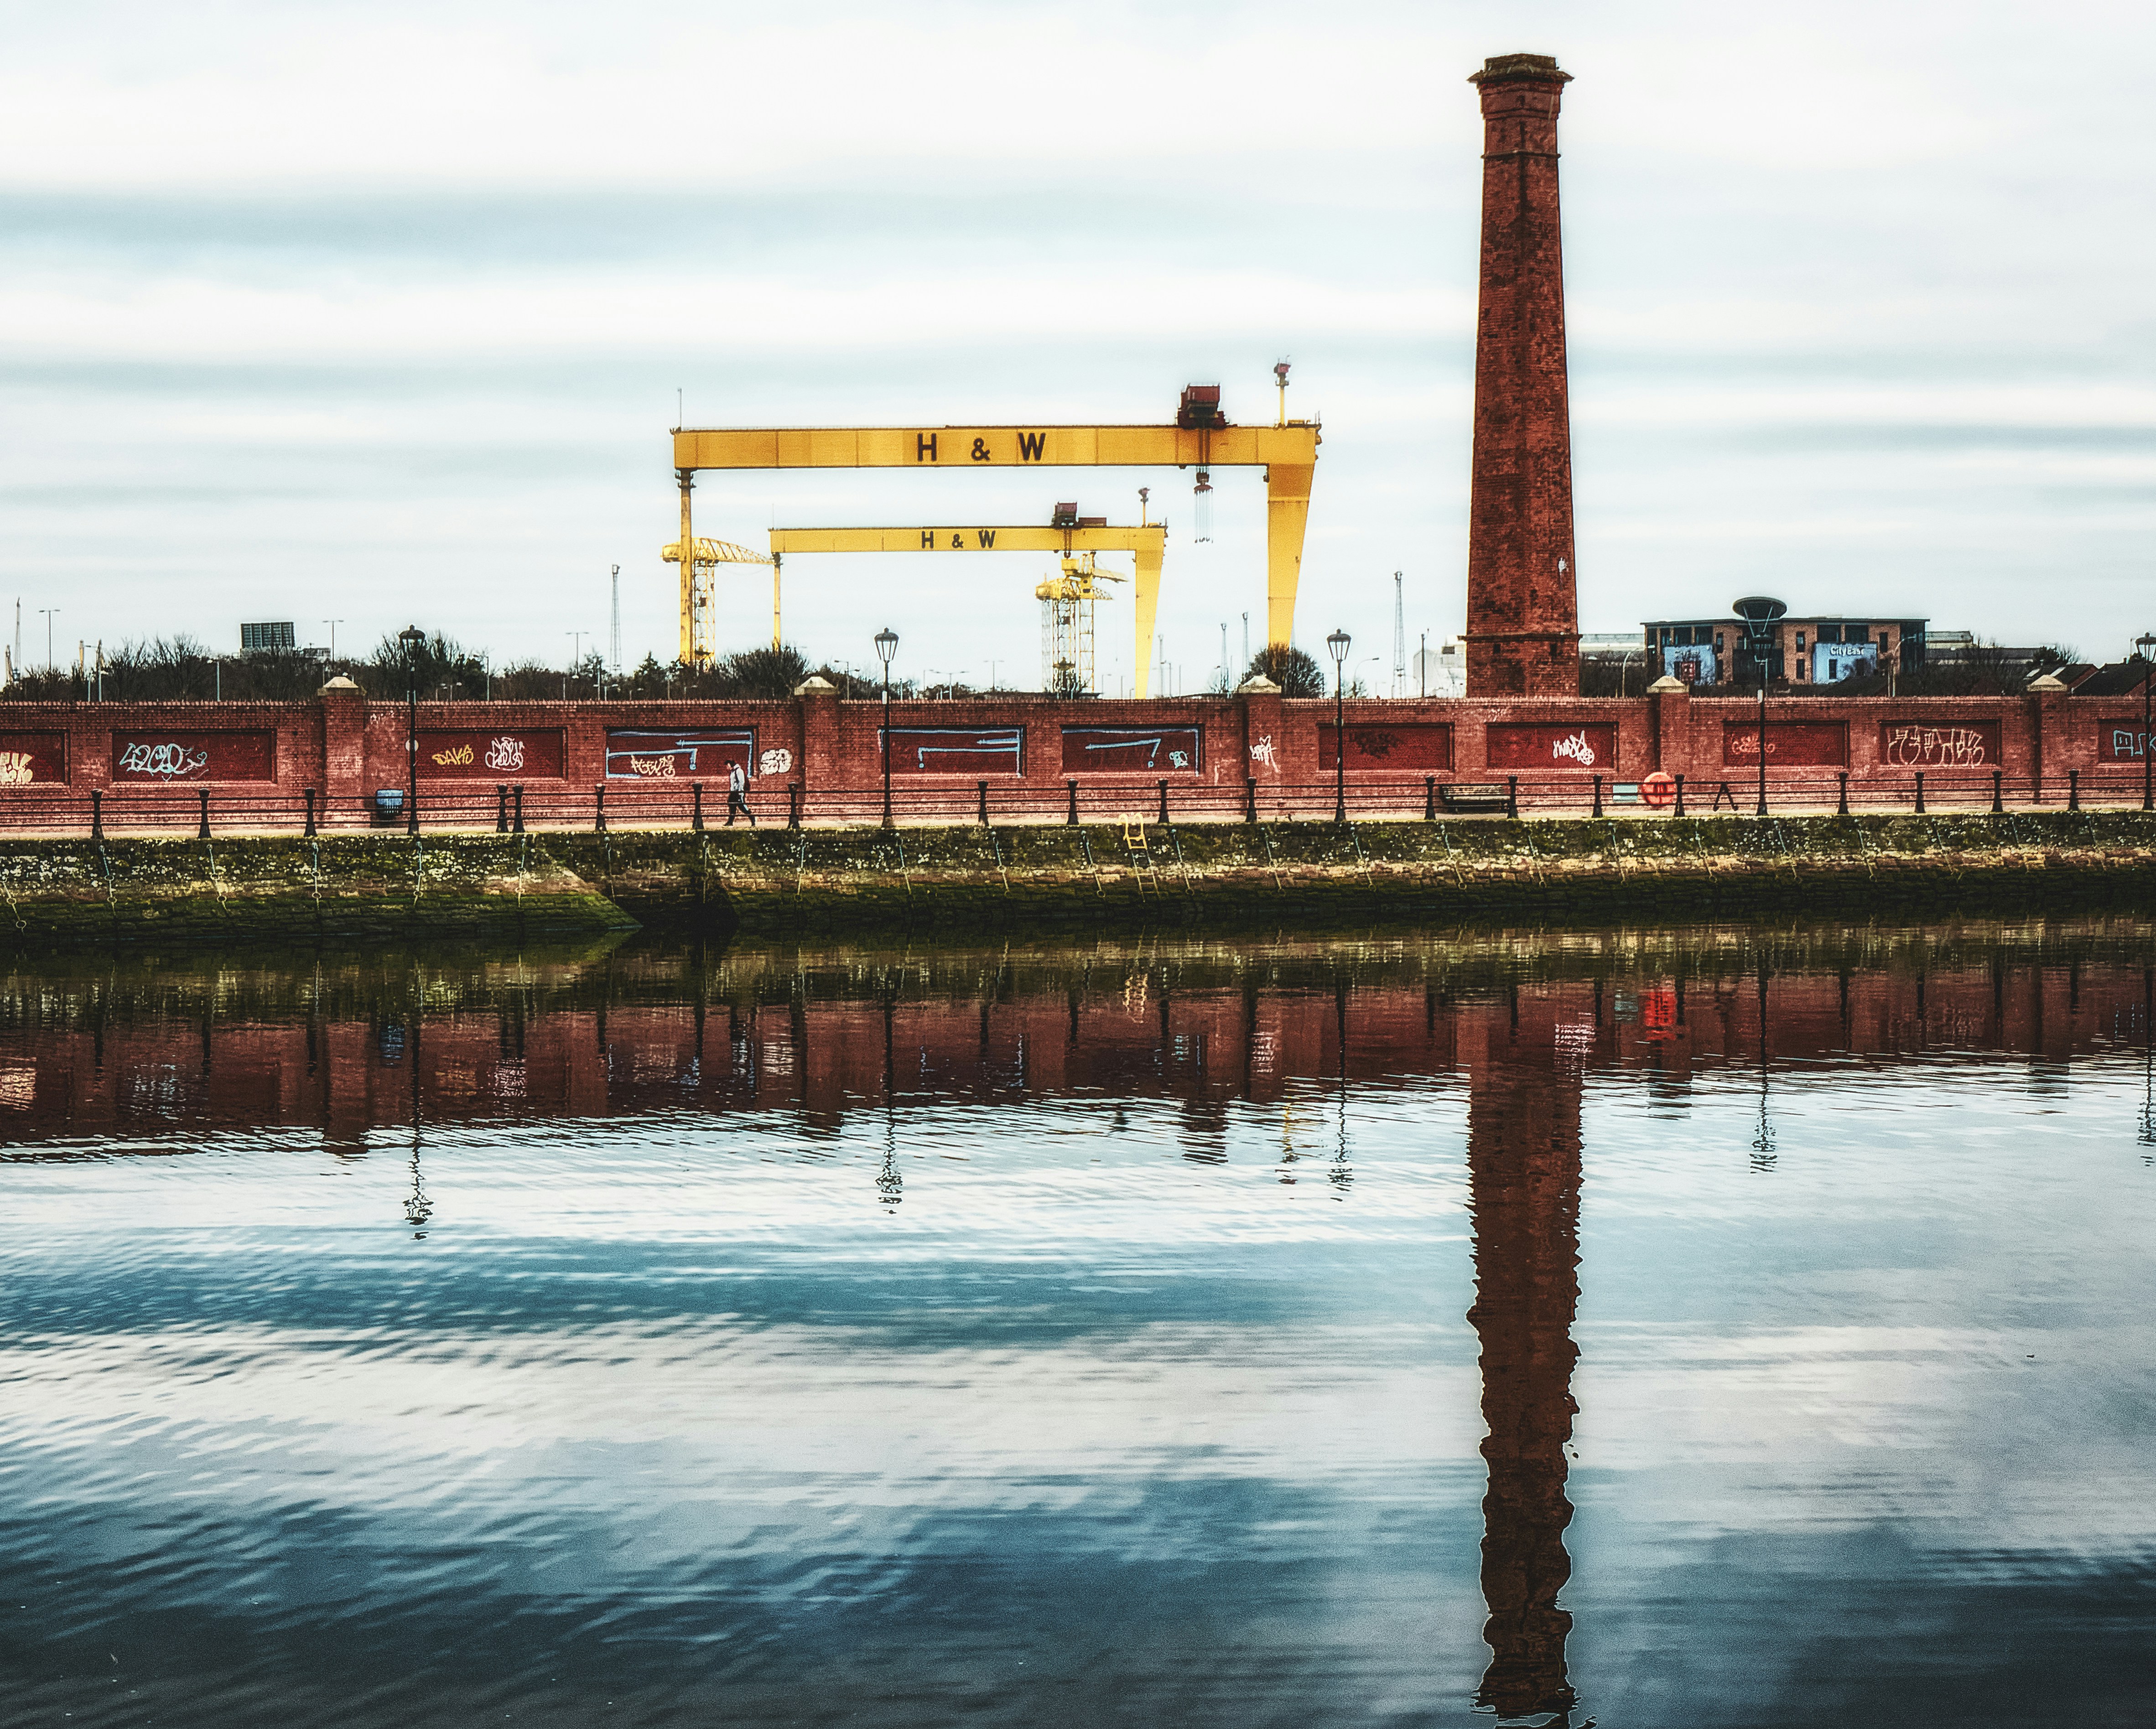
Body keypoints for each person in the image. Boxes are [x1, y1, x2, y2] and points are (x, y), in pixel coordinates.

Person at [726, 758, 755, 826]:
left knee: (742, 807)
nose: (727, 767)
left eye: (727, 765)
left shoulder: (739, 771)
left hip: (738, 792)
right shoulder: (732, 772)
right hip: (733, 792)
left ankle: (752, 818)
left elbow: (742, 782)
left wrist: (740, 792)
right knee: (732, 806)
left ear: (731, 765)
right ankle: (730, 822)